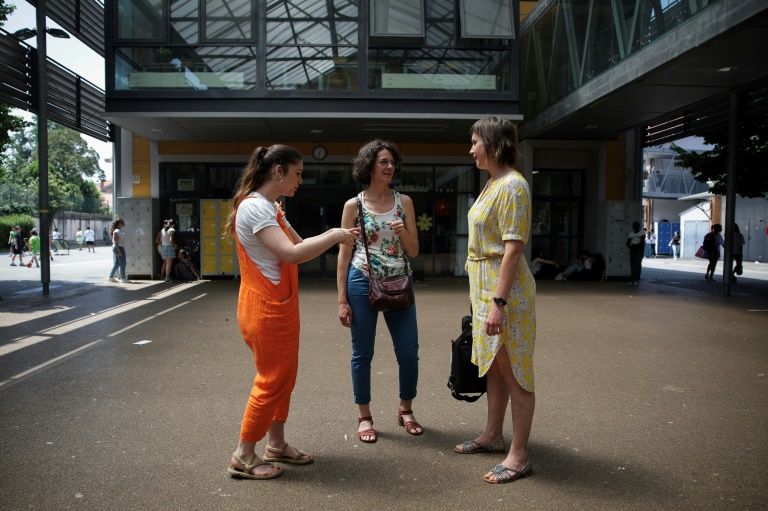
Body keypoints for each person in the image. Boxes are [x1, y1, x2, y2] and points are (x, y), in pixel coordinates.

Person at [223, 144, 359, 480]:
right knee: (271, 381)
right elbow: (292, 254)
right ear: (278, 171)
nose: (301, 180)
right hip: (265, 309)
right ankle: (243, 454)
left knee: (284, 379)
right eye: (297, 173)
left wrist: (334, 238)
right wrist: (334, 235)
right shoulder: (256, 209)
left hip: (278, 306)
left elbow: (300, 246)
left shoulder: (269, 207)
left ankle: (276, 444)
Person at [454, 116, 536, 485]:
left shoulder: (514, 186)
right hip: (486, 288)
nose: (471, 149)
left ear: (492, 142)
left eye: (475, 142)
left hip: (505, 293)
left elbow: (513, 249)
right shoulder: (492, 183)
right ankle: (492, 435)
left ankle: (518, 456)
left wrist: (498, 304)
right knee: (494, 366)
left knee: (514, 371)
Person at [336, 139, 422, 445]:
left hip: (399, 280)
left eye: (392, 162)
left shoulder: (405, 202)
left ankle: (406, 409)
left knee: (409, 352)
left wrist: (402, 233)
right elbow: (344, 254)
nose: (389, 167)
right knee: (362, 353)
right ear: (369, 165)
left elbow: (413, 250)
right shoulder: (353, 206)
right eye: (383, 162)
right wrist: (342, 299)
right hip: (362, 280)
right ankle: (365, 417)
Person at [107, 218, 130, 283]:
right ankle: (123, 278)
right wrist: (118, 250)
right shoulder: (117, 231)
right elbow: (115, 241)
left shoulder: (118, 230)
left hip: (118, 247)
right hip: (119, 247)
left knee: (117, 263)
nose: (124, 224)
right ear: (119, 224)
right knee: (123, 263)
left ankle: (110, 277)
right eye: (122, 222)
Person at [626, 221, 645, 285]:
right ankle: (632, 279)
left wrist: (636, 246)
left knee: (637, 264)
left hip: (639, 249)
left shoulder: (642, 232)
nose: (635, 227)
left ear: (638, 226)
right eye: (634, 226)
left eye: (636, 226)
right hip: (633, 249)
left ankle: (637, 278)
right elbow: (627, 242)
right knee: (632, 264)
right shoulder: (631, 234)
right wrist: (630, 246)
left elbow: (642, 242)